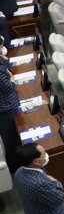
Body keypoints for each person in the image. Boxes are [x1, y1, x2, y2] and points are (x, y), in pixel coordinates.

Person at [0, 41, 18, 171]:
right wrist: (12, 79)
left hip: (7, 104)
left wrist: (3, 59)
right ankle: (13, 166)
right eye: (0, 46)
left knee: (12, 135)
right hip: (4, 108)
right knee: (9, 139)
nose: (2, 47)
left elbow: (6, 68)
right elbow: (8, 87)